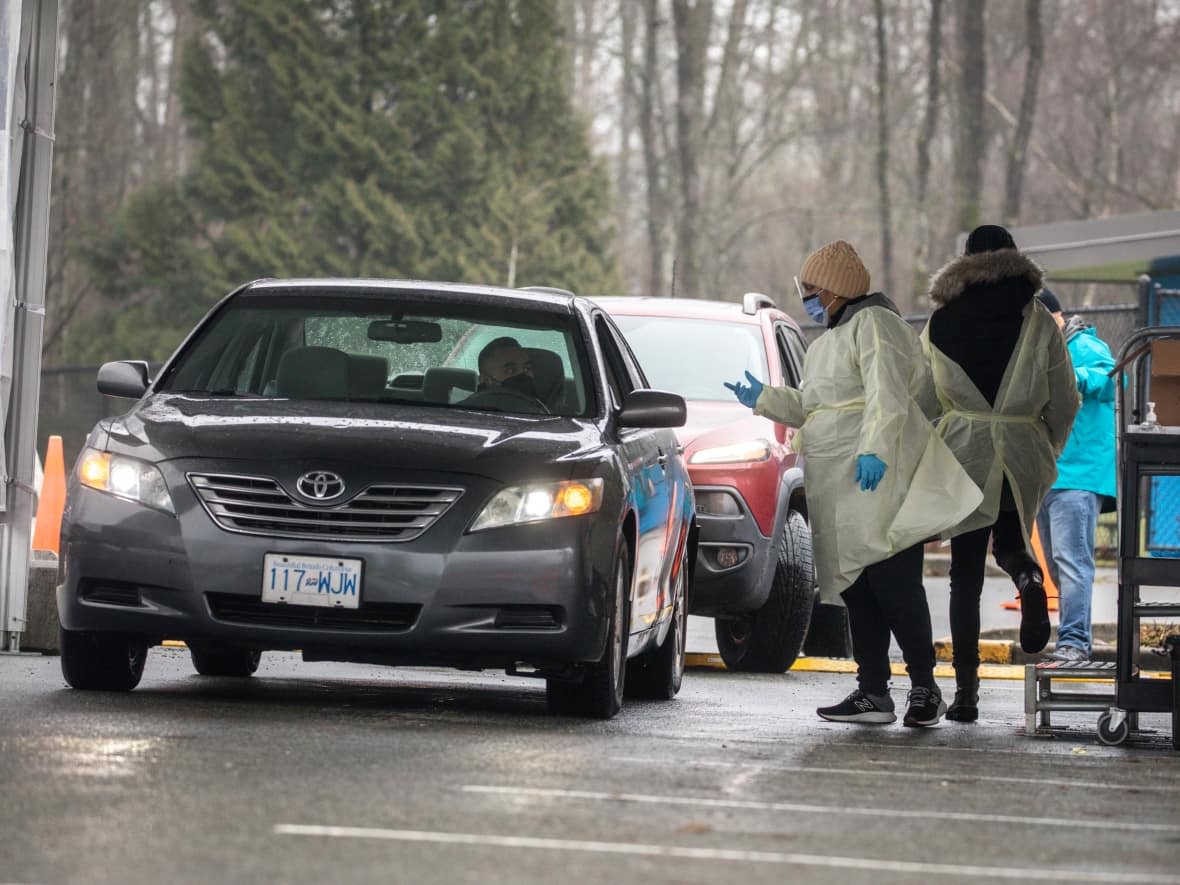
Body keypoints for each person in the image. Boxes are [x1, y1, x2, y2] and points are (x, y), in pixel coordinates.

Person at [726, 240, 982, 728]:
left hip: (872, 475)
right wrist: (764, 399)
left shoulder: (876, 324)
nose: (809, 299)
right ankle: (872, 691)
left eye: (814, 290)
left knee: (893, 581)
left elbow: (887, 391)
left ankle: (924, 688)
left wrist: (876, 449)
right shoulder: (828, 341)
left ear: (837, 289)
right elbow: (812, 406)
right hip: (836, 479)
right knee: (858, 587)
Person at [923, 225, 1080, 723]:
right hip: (1020, 448)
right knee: (1012, 543)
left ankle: (966, 695)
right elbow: (1065, 398)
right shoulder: (1036, 320)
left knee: (964, 577)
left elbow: (923, 399)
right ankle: (1030, 580)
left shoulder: (942, 322)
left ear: (965, 261)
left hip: (966, 453)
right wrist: (1044, 449)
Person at [1034, 287, 1116, 663]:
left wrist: (1063, 376)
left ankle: (1074, 643)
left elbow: (1112, 380)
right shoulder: (1038, 353)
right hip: (1049, 475)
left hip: (1077, 476)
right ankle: (1071, 639)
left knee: (1071, 562)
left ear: (1055, 316)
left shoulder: (1083, 345)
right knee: (1057, 565)